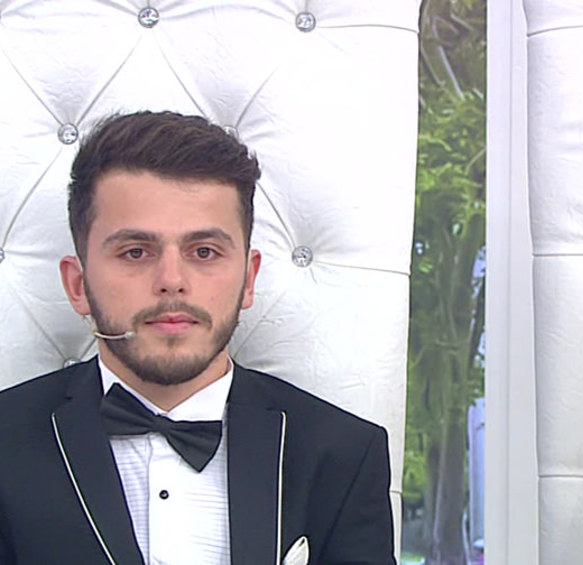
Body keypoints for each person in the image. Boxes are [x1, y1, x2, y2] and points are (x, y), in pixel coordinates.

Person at [0, 111, 396, 565]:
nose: (172, 281)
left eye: (204, 252)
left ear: (248, 280)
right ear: (78, 285)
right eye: (135, 252)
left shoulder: (342, 455)